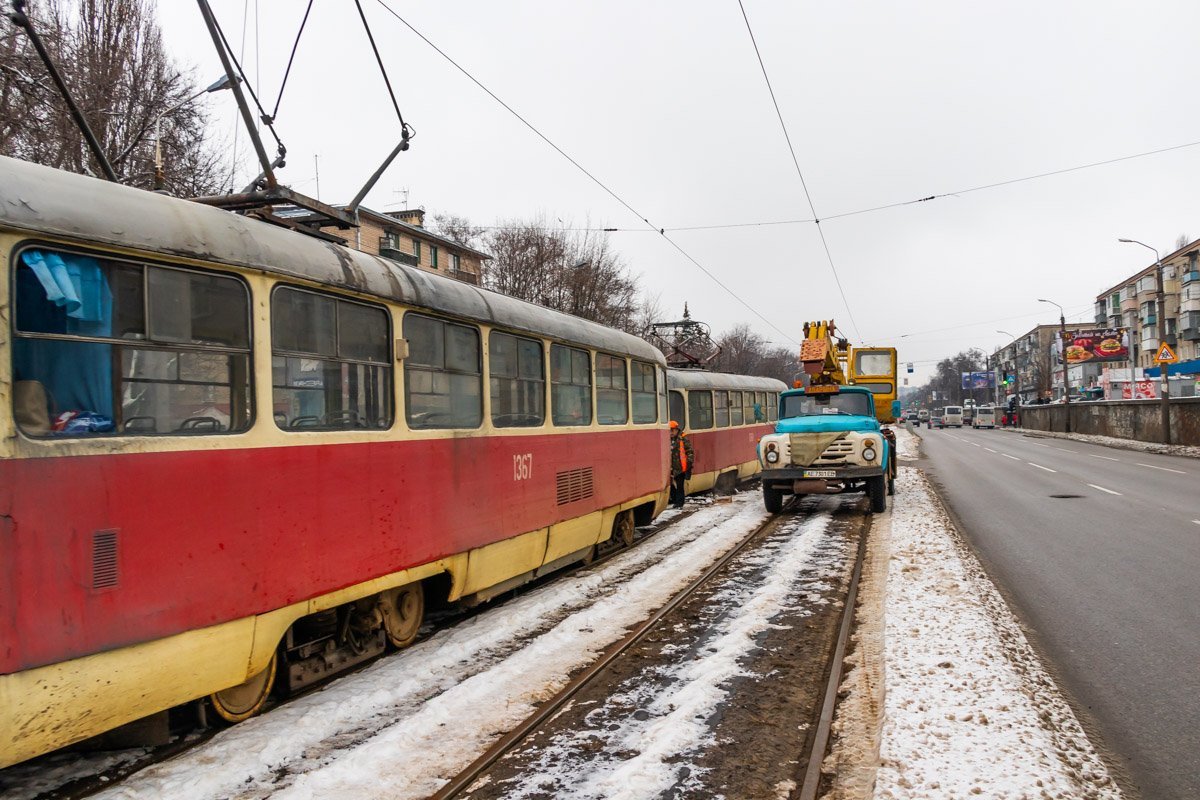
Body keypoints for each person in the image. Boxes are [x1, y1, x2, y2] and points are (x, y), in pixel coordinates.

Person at [669, 420, 693, 508]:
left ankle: (679, 503)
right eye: (669, 430)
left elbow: (689, 452)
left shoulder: (683, 438)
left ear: (676, 430)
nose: (671, 432)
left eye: (672, 430)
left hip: (680, 467)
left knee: (679, 486)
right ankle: (675, 500)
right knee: (670, 485)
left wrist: (689, 465)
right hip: (670, 467)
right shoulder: (666, 439)